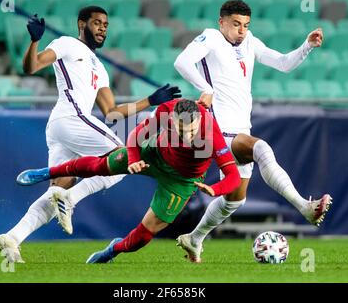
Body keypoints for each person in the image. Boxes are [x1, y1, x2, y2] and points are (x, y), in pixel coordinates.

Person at [0, 6, 181, 263]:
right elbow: (32, 66)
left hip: (64, 127)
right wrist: (35, 41)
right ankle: (71, 199)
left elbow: (112, 112)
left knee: (56, 191)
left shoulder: (101, 69)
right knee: (124, 160)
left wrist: (149, 100)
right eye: (97, 23)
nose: (103, 27)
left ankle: (12, 238)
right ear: (82, 24)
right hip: (71, 118)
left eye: (106, 23)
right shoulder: (68, 44)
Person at [173, 0, 332, 263]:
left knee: (235, 200)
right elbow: (182, 62)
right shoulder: (211, 38)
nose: (241, 30)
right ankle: (305, 207)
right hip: (217, 129)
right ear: (221, 22)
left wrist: (307, 46)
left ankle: (194, 238)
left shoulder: (250, 42)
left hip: (240, 127)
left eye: (246, 25)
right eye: (235, 24)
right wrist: (206, 88)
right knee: (261, 148)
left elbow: (282, 63)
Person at [16, 99, 242, 263]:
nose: (185, 137)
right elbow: (135, 136)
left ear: (199, 121)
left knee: (144, 235)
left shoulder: (212, 134)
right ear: (173, 118)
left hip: (181, 180)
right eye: (181, 130)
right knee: (100, 166)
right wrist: (133, 159)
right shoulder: (165, 112)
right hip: (153, 154)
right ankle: (47, 172)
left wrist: (216, 189)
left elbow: (233, 176)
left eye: (190, 132)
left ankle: (113, 250)